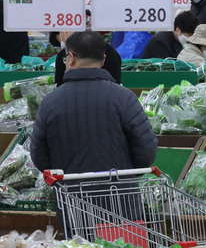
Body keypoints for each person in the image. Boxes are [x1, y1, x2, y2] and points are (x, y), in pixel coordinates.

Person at [31, 31, 157, 176]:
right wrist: (126, 174)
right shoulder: (125, 98)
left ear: (70, 58)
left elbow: (39, 155)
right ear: (103, 60)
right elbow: (146, 149)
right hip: (119, 192)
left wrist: (63, 175)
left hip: (70, 193)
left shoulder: (50, 102)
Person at [55, 31, 122, 86]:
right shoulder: (125, 98)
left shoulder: (53, 99)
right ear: (103, 59)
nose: (62, 34)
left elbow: (59, 84)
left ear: (71, 59)